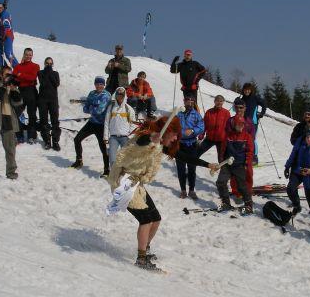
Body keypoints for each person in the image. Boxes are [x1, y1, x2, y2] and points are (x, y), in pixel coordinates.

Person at [107, 115, 218, 271]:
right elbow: (142, 141)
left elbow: (184, 157)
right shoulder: (145, 138)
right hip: (123, 182)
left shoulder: (159, 144)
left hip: (135, 184)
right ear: (167, 131)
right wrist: (153, 136)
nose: (174, 139)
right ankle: (141, 259)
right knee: (146, 220)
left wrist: (208, 165)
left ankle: (145, 250)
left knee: (155, 218)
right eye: (174, 135)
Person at [71, 76, 111, 176]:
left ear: (104, 85)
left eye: (101, 84)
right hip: (92, 122)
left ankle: (107, 170)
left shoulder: (106, 95)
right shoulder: (92, 93)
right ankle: (79, 160)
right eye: (97, 84)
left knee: (103, 148)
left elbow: (99, 110)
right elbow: (85, 108)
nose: (99, 86)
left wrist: (91, 107)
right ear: (95, 84)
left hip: (101, 125)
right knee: (77, 139)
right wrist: (92, 107)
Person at [216, 116, 254, 215]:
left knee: (241, 186)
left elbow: (250, 152)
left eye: (242, 124)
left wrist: (246, 163)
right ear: (234, 124)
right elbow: (223, 149)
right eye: (238, 124)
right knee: (221, 182)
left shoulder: (247, 136)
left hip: (239, 165)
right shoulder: (228, 136)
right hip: (227, 164)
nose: (240, 126)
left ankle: (248, 204)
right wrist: (221, 161)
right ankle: (226, 203)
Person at [284, 119, 310, 215]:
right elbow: (294, 153)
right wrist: (287, 166)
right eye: (308, 128)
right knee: (290, 188)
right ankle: (297, 205)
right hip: (298, 170)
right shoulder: (301, 139)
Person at [176, 95, 205, 199]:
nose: (188, 103)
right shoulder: (179, 114)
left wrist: (192, 130)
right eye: (187, 101)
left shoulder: (196, 114)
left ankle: (191, 190)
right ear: (184, 102)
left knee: (192, 168)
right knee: (181, 168)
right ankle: (183, 190)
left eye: (191, 101)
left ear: (193, 103)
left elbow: (202, 127)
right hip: (180, 144)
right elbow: (173, 126)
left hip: (192, 144)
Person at [227, 97, 256, 198]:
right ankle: (237, 192)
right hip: (234, 151)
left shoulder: (249, 121)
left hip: (246, 150)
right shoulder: (230, 120)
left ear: (245, 108)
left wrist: (249, 148)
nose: (239, 109)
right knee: (234, 175)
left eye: (241, 107)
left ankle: (247, 191)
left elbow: (252, 136)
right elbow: (228, 135)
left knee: (248, 173)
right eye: (237, 107)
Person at [13, 48, 40, 144]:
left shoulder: (35, 66)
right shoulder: (18, 66)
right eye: (27, 54)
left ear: (32, 55)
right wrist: (22, 76)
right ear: (24, 55)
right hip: (20, 91)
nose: (28, 56)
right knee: (17, 113)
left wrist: (21, 75)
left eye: (30, 54)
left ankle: (31, 135)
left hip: (31, 91)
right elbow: (14, 77)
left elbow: (32, 77)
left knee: (32, 114)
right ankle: (19, 134)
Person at [104, 87, 136, 167]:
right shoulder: (111, 107)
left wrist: (130, 135)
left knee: (126, 158)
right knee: (112, 158)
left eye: (122, 94)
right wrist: (106, 137)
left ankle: (125, 175)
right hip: (113, 137)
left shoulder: (129, 108)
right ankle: (114, 175)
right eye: (118, 94)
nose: (120, 96)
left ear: (124, 95)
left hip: (125, 138)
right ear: (116, 94)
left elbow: (133, 124)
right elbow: (106, 122)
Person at [37, 57, 61, 150]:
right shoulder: (40, 73)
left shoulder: (55, 73)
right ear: (44, 63)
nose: (49, 65)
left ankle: (55, 140)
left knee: (55, 120)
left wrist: (50, 72)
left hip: (53, 100)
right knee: (44, 120)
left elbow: (56, 84)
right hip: (42, 99)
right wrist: (47, 72)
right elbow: (43, 83)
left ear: (53, 64)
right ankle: (47, 140)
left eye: (51, 64)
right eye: (47, 63)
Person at [240, 82, 266, 164]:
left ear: (251, 90)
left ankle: (254, 158)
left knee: (252, 139)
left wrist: (261, 114)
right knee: (243, 139)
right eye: (245, 90)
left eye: (248, 90)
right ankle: (245, 156)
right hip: (243, 122)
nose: (247, 91)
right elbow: (235, 109)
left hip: (253, 122)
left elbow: (264, 104)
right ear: (243, 90)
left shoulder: (255, 98)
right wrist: (236, 102)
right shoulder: (242, 99)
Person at [197, 95, 230, 159]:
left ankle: (223, 169)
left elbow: (228, 127)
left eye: (221, 101)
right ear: (214, 101)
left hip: (221, 140)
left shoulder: (226, 113)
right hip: (209, 138)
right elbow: (204, 125)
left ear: (223, 102)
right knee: (198, 152)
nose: (219, 103)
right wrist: (201, 136)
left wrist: (228, 138)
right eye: (217, 101)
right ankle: (191, 167)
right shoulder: (209, 112)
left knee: (221, 158)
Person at [0, 4, 18, 68]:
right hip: (2, 38)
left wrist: (4, 36)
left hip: (7, 37)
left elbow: (7, 27)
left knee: (8, 54)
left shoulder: (5, 15)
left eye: (0, 7)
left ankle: (18, 69)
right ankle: (5, 70)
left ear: (3, 8)